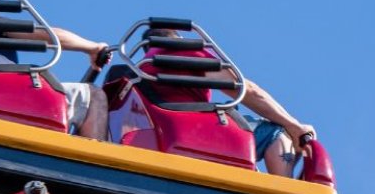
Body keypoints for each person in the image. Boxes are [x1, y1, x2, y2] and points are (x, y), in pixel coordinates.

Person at [50, 23, 315, 171]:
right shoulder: (187, 55)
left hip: (146, 145)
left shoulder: (127, 77)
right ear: (177, 38)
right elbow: (247, 91)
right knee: (274, 132)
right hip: (202, 137)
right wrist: (293, 125)